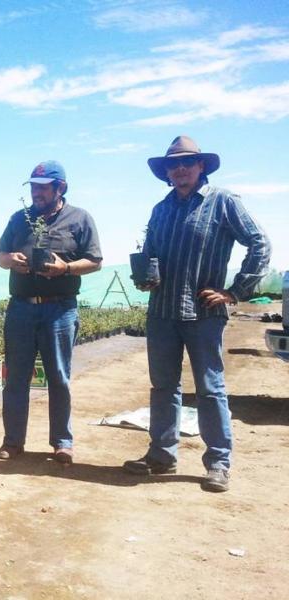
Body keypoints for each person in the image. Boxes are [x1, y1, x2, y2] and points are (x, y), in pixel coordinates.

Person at [123, 136, 271, 492]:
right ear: (167, 172)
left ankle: (219, 462)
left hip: (203, 313)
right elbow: (152, 253)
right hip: (161, 312)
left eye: (187, 162)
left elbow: (259, 242)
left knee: (210, 389)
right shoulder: (161, 209)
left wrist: (234, 292)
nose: (180, 169)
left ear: (201, 166)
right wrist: (146, 277)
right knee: (163, 388)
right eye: (174, 164)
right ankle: (161, 455)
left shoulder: (222, 202)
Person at [0, 161, 102, 464]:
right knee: (16, 378)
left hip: (60, 310)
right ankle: (13, 441)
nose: (37, 192)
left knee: (59, 377)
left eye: (43, 187)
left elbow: (95, 260)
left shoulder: (80, 218)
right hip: (21, 309)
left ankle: (62, 442)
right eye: (33, 186)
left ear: (60, 188)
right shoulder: (20, 218)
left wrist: (66, 268)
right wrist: (10, 259)